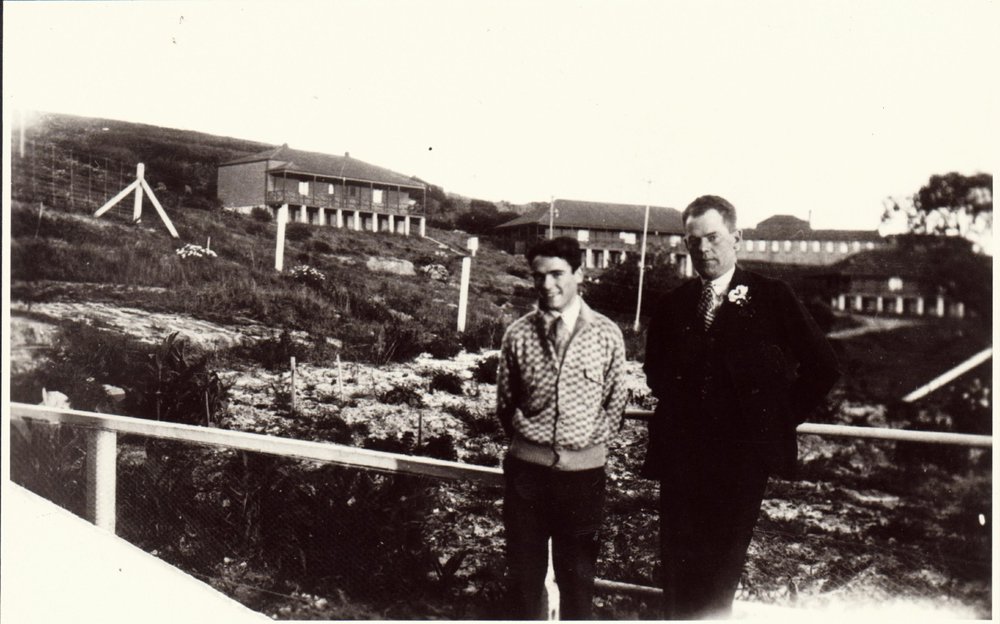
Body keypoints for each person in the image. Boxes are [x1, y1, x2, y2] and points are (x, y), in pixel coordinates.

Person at [641, 195, 840, 619]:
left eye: (712, 238)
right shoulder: (674, 304)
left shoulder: (773, 297)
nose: (704, 250)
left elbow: (823, 367)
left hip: (741, 462)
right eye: (693, 242)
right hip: (682, 460)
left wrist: (774, 419)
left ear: (737, 239)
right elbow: (656, 371)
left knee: (719, 578)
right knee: (676, 573)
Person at [496, 236, 628, 619]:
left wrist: (581, 445)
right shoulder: (518, 334)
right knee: (523, 578)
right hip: (527, 478)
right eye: (539, 276)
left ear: (578, 275)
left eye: (557, 274)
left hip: (583, 479)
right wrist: (533, 444)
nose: (547, 285)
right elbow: (506, 405)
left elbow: (616, 404)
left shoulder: (606, 334)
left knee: (578, 581)